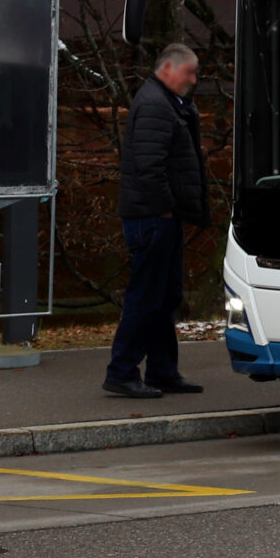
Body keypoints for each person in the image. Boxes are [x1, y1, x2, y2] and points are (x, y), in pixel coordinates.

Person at [105, 44, 209, 399]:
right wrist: (165, 209)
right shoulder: (155, 105)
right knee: (147, 296)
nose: (194, 80)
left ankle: (163, 370)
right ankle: (122, 371)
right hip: (152, 218)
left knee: (165, 296)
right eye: (189, 72)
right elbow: (149, 167)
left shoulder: (169, 104)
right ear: (168, 68)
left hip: (162, 216)